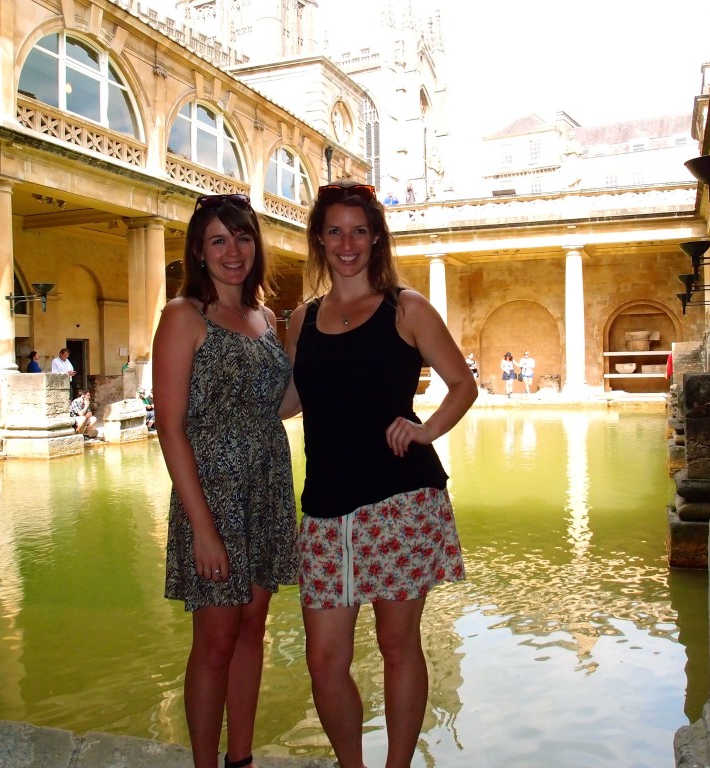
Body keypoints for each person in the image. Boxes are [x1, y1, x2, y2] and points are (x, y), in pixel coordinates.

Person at [281, 181, 476, 768]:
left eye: (359, 231)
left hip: (399, 499)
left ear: (376, 238)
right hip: (324, 505)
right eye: (335, 230)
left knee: (397, 644)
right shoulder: (302, 319)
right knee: (324, 659)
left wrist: (425, 430)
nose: (348, 243)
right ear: (319, 238)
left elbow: (463, 384)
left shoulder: (406, 307)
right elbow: (292, 399)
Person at [151, 193, 298, 768]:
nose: (232, 251)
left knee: (252, 631)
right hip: (210, 494)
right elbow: (169, 428)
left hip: (266, 487)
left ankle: (241, 757)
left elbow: (279, 405)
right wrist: (203, 530)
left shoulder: (265, 320)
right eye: (218, 240)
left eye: (241, 238)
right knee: (213, 642)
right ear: (199, 250)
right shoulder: (184, 316)